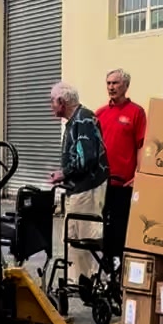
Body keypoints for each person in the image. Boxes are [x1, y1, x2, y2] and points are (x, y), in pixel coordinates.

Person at [48, 82, 109, 290]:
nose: (50, 106)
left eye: (52, 101)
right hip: (79, 187)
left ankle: (87, 282)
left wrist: (63, 173)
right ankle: (77, 281)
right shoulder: (76, 120)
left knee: (84, 238)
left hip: (88, 188)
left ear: (62, 102)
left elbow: (86, 159)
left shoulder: (82, 120)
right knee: (72, 235)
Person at [96, 68, 147, 268]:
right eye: (108, 83)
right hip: (102, 182)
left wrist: (139, 174)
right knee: (103, 227)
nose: (111, 87)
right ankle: (105, 267)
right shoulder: (100, 113)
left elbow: (141, 145)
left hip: (124, 183)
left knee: (120, 227)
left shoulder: (136, 112)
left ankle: (119, 267)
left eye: (115, 83)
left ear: (125, 86)